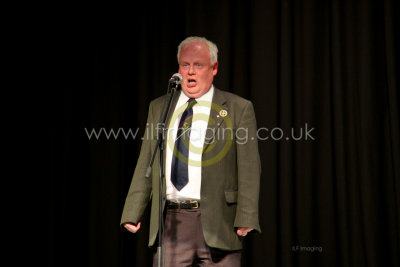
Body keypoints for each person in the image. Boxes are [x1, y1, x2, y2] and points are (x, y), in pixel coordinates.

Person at [120, 36, 261, 266]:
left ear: (214, 68)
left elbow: (249, 168)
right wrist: (132, 211)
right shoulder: (160, 108)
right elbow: (147, 160)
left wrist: (247, 216)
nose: (191, 72)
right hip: (172, 224)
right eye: (185, 65)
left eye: (199, 65)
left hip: (218, 222)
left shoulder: (238, 108)